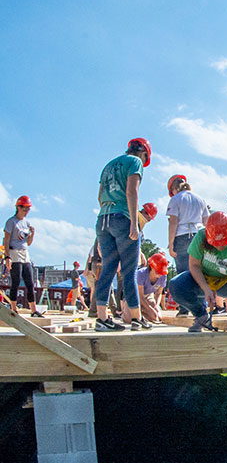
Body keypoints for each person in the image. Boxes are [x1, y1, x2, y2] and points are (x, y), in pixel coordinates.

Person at [169, 211, 227, 333]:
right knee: (176, 285)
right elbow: (194, 265)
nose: (219, 247)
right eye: (215, 243)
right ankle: (201, 316)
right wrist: (206, 288)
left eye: (223, 243)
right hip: (205, 279)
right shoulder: (201, 236)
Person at [94, 137, 152, 332]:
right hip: (122, 217)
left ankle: (102, 318)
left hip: (103, 219)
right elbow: (131, 191)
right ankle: (136, 318)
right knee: (129, 271)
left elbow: (100, 196)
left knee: (108, 269)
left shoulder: (108, 165)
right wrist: (134, 224)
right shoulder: (134, 162)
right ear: (143, 153)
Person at [3, 195, 43, 317]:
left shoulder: (26, 223)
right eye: (24, 209)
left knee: (30, 282)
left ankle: (33, 309)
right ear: (18, 208)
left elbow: (29, 243)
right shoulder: (11, 222)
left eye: (28, 209)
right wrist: (7, 257)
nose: (26, 212)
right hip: (14, 251)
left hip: (25, 252)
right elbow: (6, 239)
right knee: (15, 280)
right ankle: (13, 307)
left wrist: (32, 233)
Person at [166, 175, 209, 274]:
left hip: (182, 237)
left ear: (174, 189)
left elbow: (173, 222)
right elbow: (206, 221)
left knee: (183, 273)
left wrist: (171, 244)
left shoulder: (175, 199)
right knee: (200, 271)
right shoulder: (200, 199)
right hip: (199, 235)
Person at [122, 252, 169, 328]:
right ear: (151, 267)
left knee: (155, 317)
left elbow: (158, 293)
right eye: (157, 272)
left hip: (148, 295)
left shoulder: (163, 276)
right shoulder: (140, 274)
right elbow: (139, 296)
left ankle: (142, 312)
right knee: (129, 319)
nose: (159, 275)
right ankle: (126, 309)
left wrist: (156, 307)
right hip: (134, 296)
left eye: (161, 273)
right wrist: (149, 309)